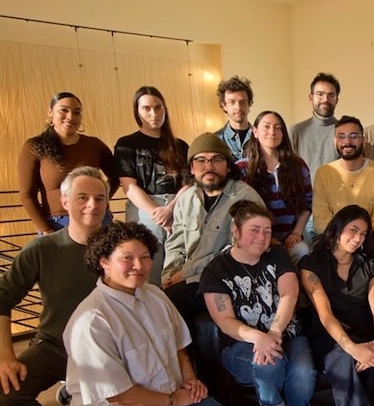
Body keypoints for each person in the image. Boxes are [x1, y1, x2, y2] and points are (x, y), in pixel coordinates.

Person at [65, 221, 240, 406]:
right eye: (127, 257)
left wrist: (189, 378)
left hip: (162, 404)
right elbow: (120, 396)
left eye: (145, 257)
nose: (139, 265)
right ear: (104, 262)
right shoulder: (92, 320)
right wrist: (175, 400)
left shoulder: (154, 295)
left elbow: (178, 345)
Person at [0, 167, 107, 406]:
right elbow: (3, 299)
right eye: (82, 197)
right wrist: (6, 356)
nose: (92, 205)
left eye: (99, 198)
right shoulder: (42, 249)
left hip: (105, 352)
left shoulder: (117, 247)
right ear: (63, 200)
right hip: (53, 346)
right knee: (7, 393)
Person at [199, 201, 316, 406]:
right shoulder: (216, 270)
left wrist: (273, 333)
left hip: (288, 334)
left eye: (266, 230)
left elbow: (290, 293)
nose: (262, 237)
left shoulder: (277, 255)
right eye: (254, 230)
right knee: (270, 363)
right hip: (240, 345)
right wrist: (259, 338)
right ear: (236, 231)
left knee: (304, 371)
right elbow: (224, 320)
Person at [300, 205, 374, 406]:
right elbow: (324, 314)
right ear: (337, 229)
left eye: (363, 233)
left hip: (362, 330)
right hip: (327, 333)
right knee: (341, 358)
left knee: (367, 357)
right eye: (353, 230)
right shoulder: (312, 264)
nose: (358, 238)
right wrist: (352, 348)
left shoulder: (370, 265)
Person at [162, 133, 264, 323]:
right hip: (190, 278)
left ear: (227, 166)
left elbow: (234, 252)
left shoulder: (245, 197)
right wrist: (169, 275)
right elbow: (175, 244)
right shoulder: (186, 199)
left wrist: (185, 274)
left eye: (216, 159)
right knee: (157, 300)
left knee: (171, 303)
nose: (209, 166)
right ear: (192, 168)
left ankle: (183, 353)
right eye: (201, 160)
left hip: (229, 278)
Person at [115, 86, 190, 284]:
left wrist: (170, 210)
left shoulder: (180, 145)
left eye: (158, 108)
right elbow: (129, 186)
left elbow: (188, 184)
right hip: (144, 208)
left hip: (178, 206)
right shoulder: (126, 144)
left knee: (180, 269)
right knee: (147, 267)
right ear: (137, 111)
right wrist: (159, 214)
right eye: (146, 108)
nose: (153, 113)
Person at [16, 92, 117, 234]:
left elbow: (117, 176)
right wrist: (46, 230)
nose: (70, 117)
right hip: (57, 224)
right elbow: (27, 195)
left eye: (77, 112)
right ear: (50, 112)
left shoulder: (94, 144)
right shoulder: (34, 146)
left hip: (97, 220)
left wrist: (101, 201)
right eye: (64, 110)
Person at [239, 110, 312, 263]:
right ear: (255, 132)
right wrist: (268, 238)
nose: (272, 132)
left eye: (278, 127)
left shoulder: (298, 165)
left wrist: (297, 233)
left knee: (303, 251)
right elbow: (240, 212)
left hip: (290, 238)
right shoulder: (242, 168)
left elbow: (307, 204)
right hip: (255, 240)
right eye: (266, 127)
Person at [312, 116, 374, 235]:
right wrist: (344, 238)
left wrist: (358, 236)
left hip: (369, 238)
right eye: (341, 136)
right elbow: (320, 220)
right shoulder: (323, 173)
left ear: (363, 141)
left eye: (354, 136)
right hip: (333, 239)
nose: (347, 142)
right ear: (335, 142)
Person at [290, 72, 341, 182]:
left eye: (331, 95)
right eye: (320, 94)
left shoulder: (344, 132)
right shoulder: (296, 132)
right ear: (310, 97)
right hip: (303, 197)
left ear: (337, 100)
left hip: (336, 197)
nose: (325, 99)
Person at [215, 75, 254, 161]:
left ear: (249, 104)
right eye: (232, 102)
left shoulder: (260, 137)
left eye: (242, 102)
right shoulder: (216, 140)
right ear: (224, 105)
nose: (238, 107)